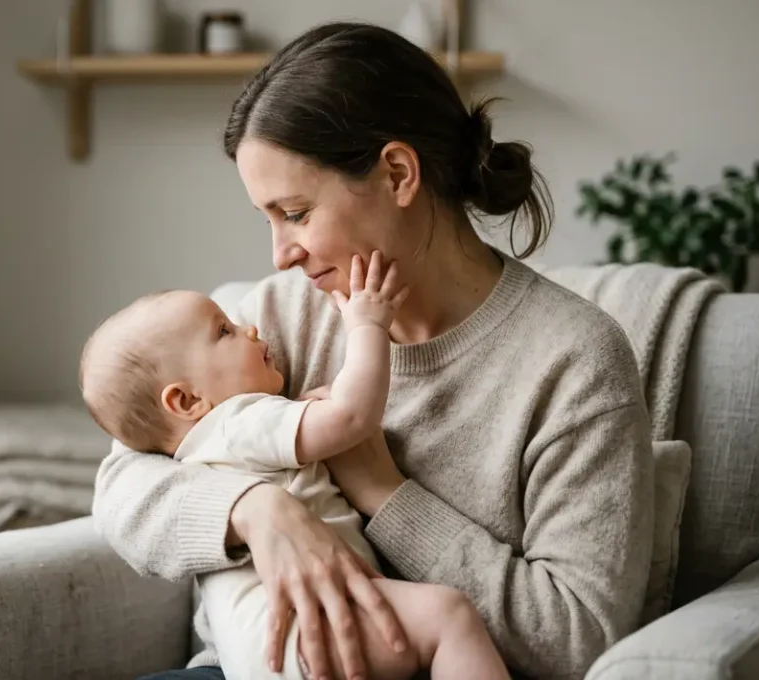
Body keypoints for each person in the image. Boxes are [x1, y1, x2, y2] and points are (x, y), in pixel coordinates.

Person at [92, 21, 655, 680]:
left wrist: (384, 494)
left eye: (296, 213)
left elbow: (576, 637)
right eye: (267, 218)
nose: (280, 253)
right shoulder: (278, 315)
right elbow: (122, 485)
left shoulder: (574, 362)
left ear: (396, 173)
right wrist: (256, 511)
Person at [80, 251, 510, 680]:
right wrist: (367, 327)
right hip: (303, 633)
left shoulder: (203, 448)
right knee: (449, 617)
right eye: (225, 331)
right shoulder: (238, 420)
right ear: (187, 401)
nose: (250, 328)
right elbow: (351, 417)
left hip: (256, 653)